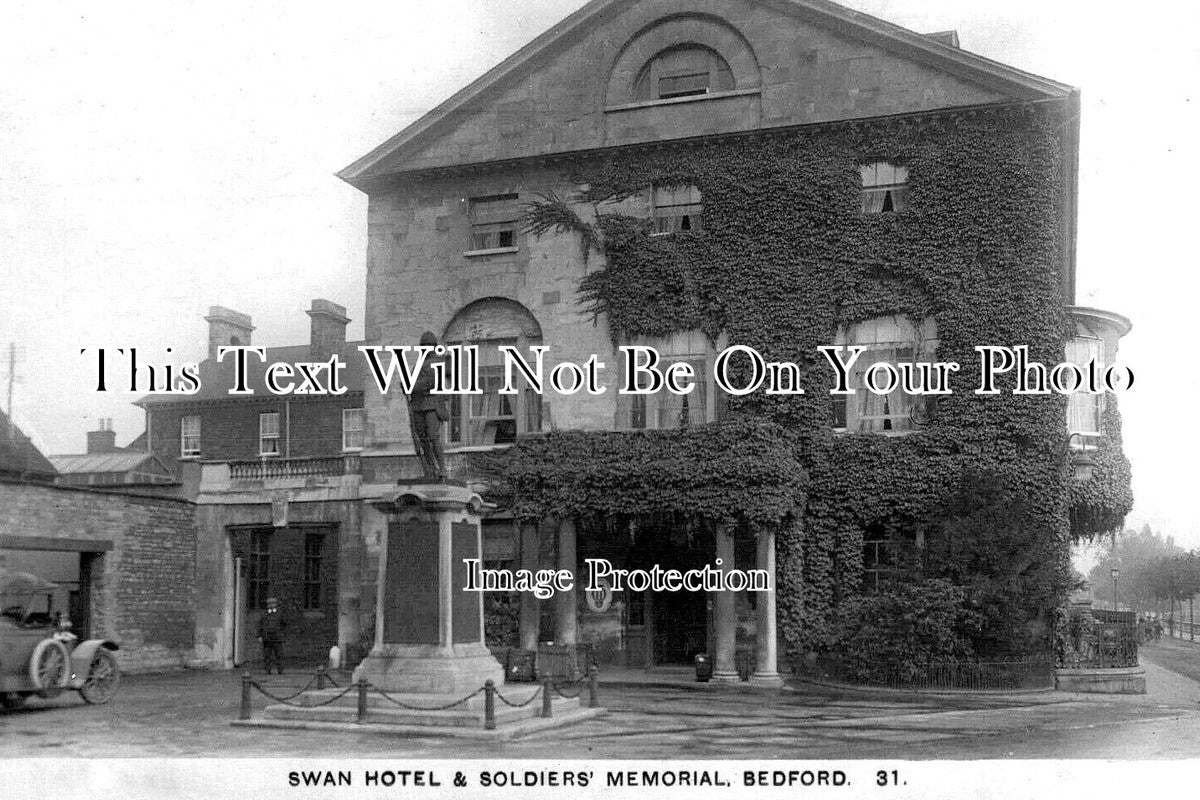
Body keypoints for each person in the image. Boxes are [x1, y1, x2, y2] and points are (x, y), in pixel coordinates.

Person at [407, 331, 449, 481]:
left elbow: (429, 382)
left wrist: (411, 386)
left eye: (429, 346)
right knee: (423, 438)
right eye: (424, 346)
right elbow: (411, 382)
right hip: (418, 405)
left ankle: (442, 468)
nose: (426, 349)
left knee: (433, 437)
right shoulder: (418, 365)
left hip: (432, 404)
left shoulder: (437, 362)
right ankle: (431, 469)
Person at [257, 597, 286, 675]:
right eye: (269, 604)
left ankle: (280, 670)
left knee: (279, 655)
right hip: (267, 637)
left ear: (276, 604)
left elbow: (284, 624)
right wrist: (259, 635)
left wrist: (282, 633)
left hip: (277, 637)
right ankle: (267, 670)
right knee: (267, 655)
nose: (271, 605)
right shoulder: (264, 614)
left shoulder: (280, 613)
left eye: (273, 603)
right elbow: (260, 625)